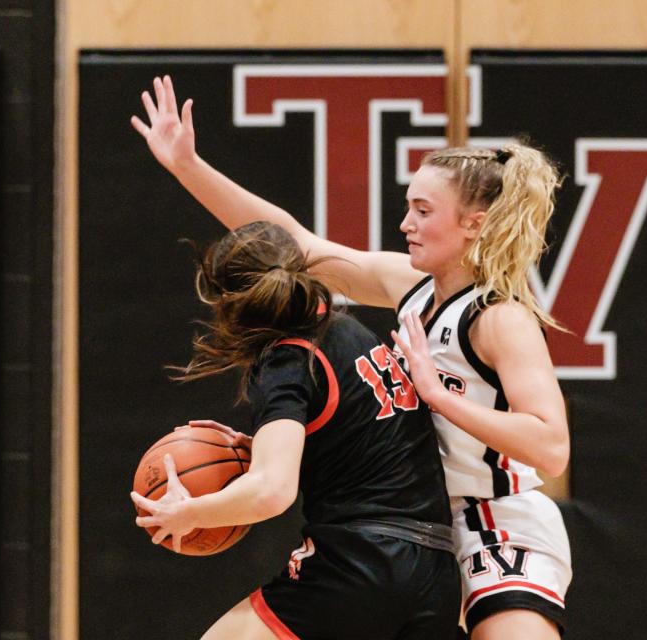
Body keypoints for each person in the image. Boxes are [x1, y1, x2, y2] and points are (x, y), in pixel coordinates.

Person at [132, 75, 572, 640]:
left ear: (474, 224)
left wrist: (438, 396)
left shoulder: (499, 317)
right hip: (427, 525)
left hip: (497, 521)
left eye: (422, 209)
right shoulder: (409, 285)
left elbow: (551, 447)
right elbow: (298, 245)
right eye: (407, 207)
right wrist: (187, 167)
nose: (405, 224)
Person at [129, 221, 461, 640]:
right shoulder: (350, 331)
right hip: (436, 573)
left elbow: (272, 491)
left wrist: (189, 512)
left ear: (228, 303)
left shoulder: (287, 361)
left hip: (359, 565)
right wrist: (263, 446)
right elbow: (361, 443)